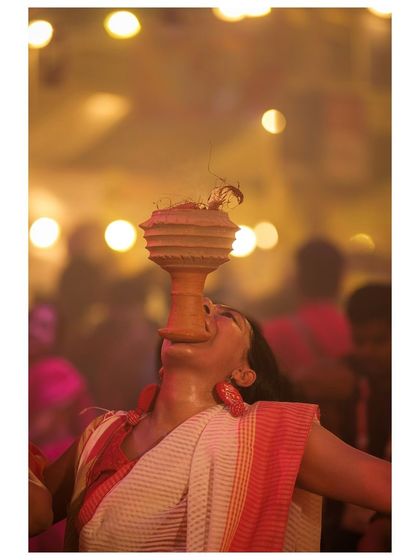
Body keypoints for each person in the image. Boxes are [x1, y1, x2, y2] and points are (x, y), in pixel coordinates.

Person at [41, 298, 390, 552]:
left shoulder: (268, 433)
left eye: (226, 315)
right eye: (200, 306)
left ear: (244, 372)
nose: (202, 310)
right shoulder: (102, 434)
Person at [321, 283, 392, 552]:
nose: (367, 351)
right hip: (345, 528)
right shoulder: (341, 379)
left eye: (379, 341)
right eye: (360, 341)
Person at [263, 238, 354, 431]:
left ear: (297, 277)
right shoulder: (358, 332)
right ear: (340, 278)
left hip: (299, 434)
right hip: (353, 437)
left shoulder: (276, 332)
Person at [29, 302, 97, 551]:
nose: (32, 331)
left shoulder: (54, 370)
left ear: (57, 336)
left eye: (44, 326)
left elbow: (41, 426)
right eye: (31, 322)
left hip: (50, 463)